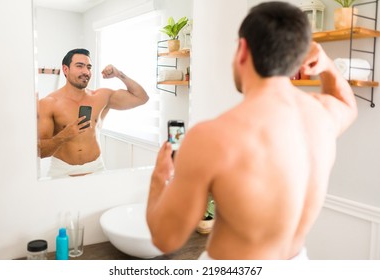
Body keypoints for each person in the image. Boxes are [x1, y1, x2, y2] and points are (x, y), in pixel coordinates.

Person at [146, 1, 357, 260]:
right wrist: (326, 65)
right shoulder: (323, 116)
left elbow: (165, 239)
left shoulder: (211, 137)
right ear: (297, 55)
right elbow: (348, 104)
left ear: (242, 50)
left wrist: (159, 178)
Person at [38, 48, 149, 177]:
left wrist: (119, 74)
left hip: (96, 168)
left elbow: (141, 98)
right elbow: (41, 152)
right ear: (65, 69)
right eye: (79, 66)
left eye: (88, 67)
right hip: (62, 171)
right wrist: (64, 135)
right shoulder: (48, 103)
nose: (86, 71)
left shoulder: (101, 97)